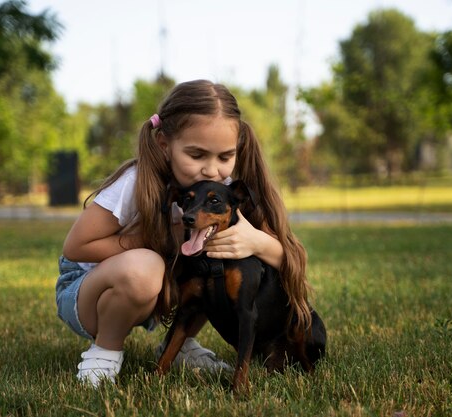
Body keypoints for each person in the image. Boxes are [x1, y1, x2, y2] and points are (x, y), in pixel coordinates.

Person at [55, 79, 313, 387]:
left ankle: (178, 345)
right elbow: (76, 247)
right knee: (146, 266)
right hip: (89, 296)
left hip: (153, 295)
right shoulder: (135, 182)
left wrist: (256, 241)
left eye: (224, 157)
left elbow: (288, 258)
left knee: (219, 261)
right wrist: (159, 239)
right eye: (197, 155)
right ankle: (105, 351)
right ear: (165, 144)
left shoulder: (225, 195)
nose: (212, 170)